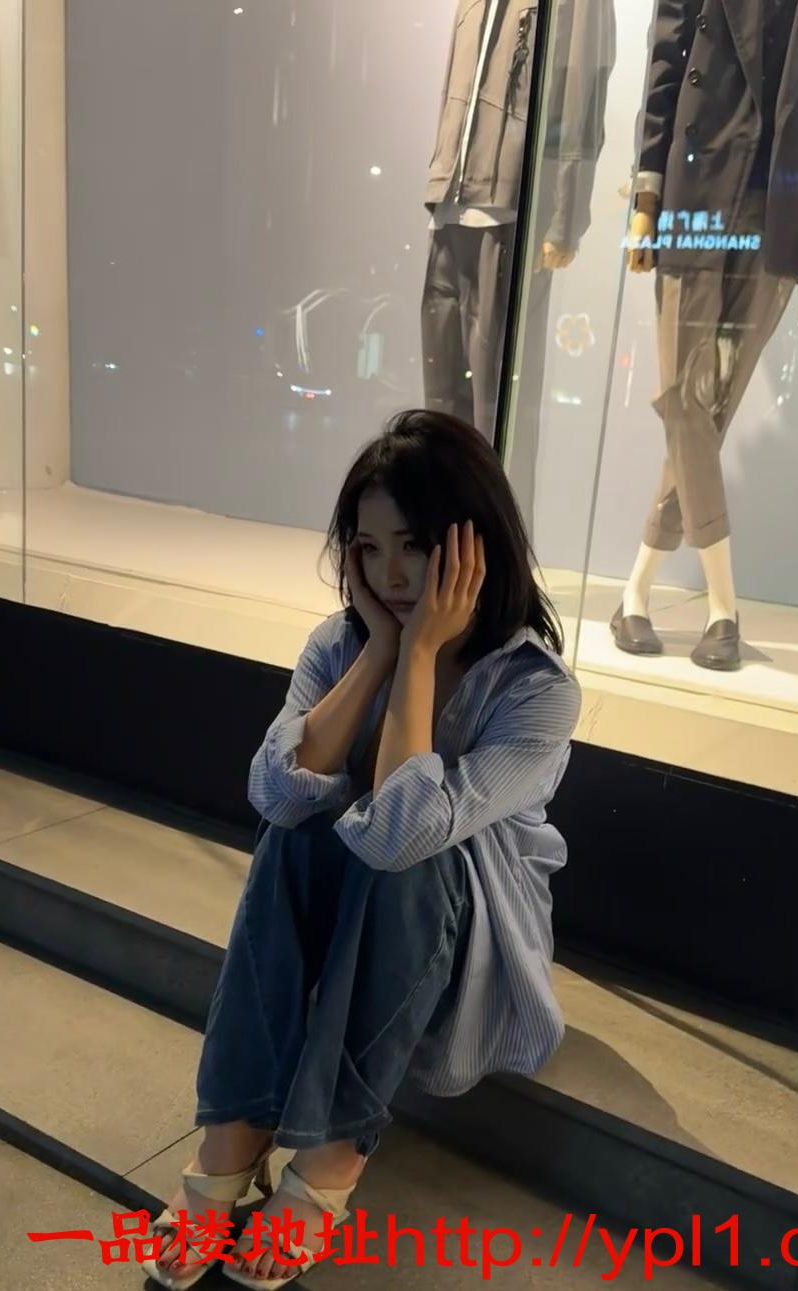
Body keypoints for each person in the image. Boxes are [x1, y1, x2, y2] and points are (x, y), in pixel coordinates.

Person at [143, 410, 581, 1289]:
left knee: (408, 852)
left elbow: (400, 835)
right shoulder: (340, 644)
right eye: (369, 548)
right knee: (295, 825)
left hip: (462, 933)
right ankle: (235, 1132)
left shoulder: (535, 688)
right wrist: (379, 652)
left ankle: (332, 1155)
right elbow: (273, 793)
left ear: (474, 542)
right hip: (348, 901)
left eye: (415, 545)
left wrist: (418, 655)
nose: (391, 574)